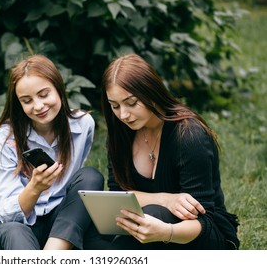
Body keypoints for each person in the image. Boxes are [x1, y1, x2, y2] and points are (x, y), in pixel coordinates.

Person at [100, 53, 240, 250]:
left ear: (151, 92)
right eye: (114, 106)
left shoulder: (190, 137)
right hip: (143, 231)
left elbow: (204, 219)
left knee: (154, 214)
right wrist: (165, 199)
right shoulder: (121, 133)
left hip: (201, 236)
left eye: (131, 103)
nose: (123, 114)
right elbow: (119, 195)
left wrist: (165, 232)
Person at [0, 54, 104, 250]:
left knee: (90, 177)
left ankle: (53, 251)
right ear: (19, 104)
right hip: (18, 225)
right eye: (27, 100)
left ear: (59, 88)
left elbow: (74, 190)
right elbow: (7, 215)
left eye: (44, 94)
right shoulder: (6, 138)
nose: (38, 106)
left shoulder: (83, 125)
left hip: (60, 223)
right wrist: (34, 188)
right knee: (15, 232)